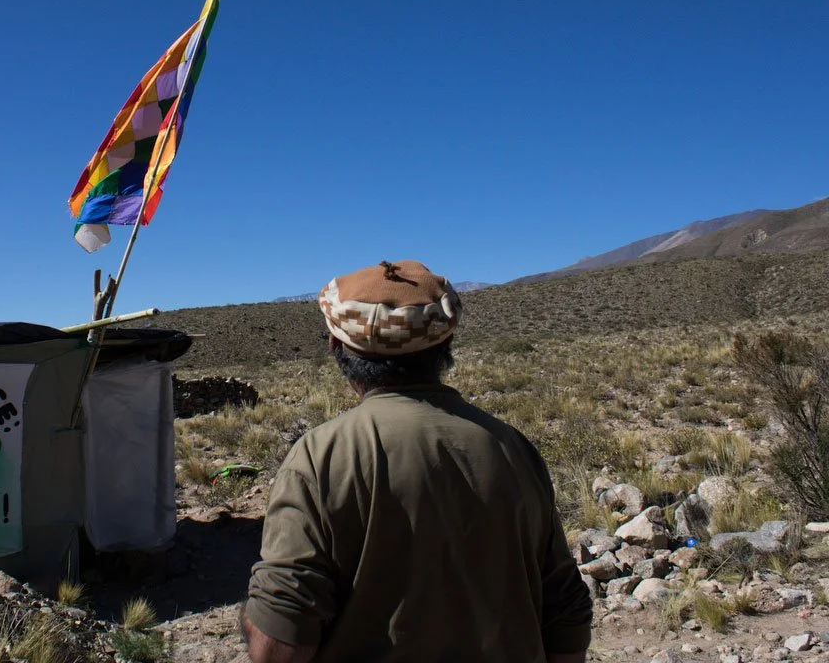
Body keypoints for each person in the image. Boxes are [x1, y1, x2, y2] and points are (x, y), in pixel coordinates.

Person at [240, 260, 592, 663]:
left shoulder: (320, 456)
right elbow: (564, 609)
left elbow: (283, 637)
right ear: (446, 344)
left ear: (337, 347)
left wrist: (251, 622)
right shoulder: (513, 447)